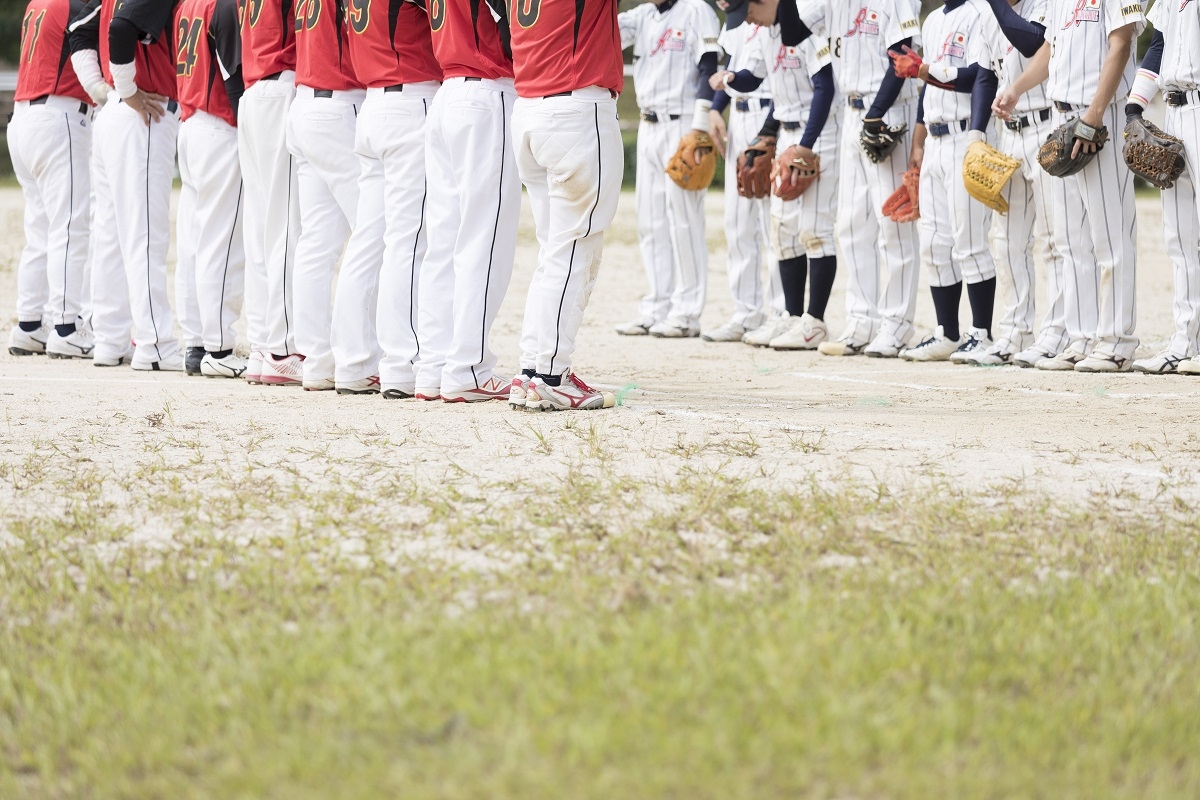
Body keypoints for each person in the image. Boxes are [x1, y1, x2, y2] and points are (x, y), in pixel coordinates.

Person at [739, 0, 924, 359]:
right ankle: (861, 320)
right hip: (853, 115)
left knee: (893, 227)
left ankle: (897, 324)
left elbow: (902, 56)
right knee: (852, 225)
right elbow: (792, 32)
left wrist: (876, 114)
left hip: (887, 113)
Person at [994, 0, 1143, 372]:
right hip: (1061, 117)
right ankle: (1081, 337)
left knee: (1110, 235)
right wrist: (1017, 87)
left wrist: (1094, 115)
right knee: (1071, 240)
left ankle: (1116, 341)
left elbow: (1121, 44)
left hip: (1099, 113)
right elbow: (1051, 48)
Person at [507, 0, 625, 411]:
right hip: (575, 108)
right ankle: (552, 374)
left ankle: (532, 370)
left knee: (553, 252)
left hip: (531, 107)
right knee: (573, 250)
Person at [331, 0, 442, 398]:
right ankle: (400, 363)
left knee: (366, 240)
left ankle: (353, 362)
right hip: (411, 99)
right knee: (408, 240)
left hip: (374, 102)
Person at [413, 0, 520, 402]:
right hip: (487, 90)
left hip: (448, 92)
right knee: (484, 238)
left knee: (443, 242)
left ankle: (433, 366)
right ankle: (467, 368)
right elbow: (515, 29)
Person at [69, 0, 183, 370]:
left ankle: (110, 339)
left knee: (111, 236)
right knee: (144, 234)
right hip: (142, 112)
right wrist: (128, 90)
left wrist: (106, 91)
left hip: (113, 114)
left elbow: (80, 34)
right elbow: (119, 30)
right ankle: (155, 343)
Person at [714, 23, 840, 351]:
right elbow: (751, 79)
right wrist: (729, 80)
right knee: (783, 231)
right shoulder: (766, 36)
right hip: (785, 132)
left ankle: (814, 321)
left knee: (814, 229)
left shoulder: (807, 34)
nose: (749, 16)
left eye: (753, 7)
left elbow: (825, 87)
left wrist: (807, 145)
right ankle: (792, 315)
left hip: (817, 134)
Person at [966, 0, 1069, 368]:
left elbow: (1031, 41)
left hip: (1045, 128)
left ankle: (1057, 332)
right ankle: (1014, 332)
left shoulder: (1042, 6)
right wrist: (976, 134)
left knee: (1053, 238)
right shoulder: (986, 16)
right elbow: (984, 75)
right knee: (1006, 240)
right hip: (1008, 134)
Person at [898, 0, 1000, 363]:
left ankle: (982, 333)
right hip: (936, 141)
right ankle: (947, 332)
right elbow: (928, 86)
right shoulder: (932, 20)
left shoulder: (979, 13)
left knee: (969, 239)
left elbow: (978, 75)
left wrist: (926, 68)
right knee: (934, 242)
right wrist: (918, 140)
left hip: (965, 137)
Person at [615, 0, 722, 339]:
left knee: (684, 222)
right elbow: (601, 30)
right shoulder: (643, 15)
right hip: (648, 125)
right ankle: (656, 307)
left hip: (683, 124)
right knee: (650, 222)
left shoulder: (696, 10)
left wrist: (701, 125)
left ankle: (687, 313)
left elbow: (709, 65)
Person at [8, 0, 97, 360]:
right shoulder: (77, 4)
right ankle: (65, 326)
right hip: (58, 116)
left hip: (24, 116)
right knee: (69, 228)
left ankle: (30, 324)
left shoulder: (37, 3)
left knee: (41, 229)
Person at [286, 0, 365, 390]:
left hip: (304, 102)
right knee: (371, 234)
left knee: (316, 243)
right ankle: (359, 357)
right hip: (339, 103)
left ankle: (317, 360)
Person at [174, 0, 246, 378]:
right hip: (219, 126)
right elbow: (233, 79)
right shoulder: (223, 5)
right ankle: (218, 348)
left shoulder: (187, 4)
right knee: (221, 241)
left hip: (191, 125)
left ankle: (197, 342)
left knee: (194, 241)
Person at [1129, 6, 1200, 375]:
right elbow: (1157, 44)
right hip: (1176, 113)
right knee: (1179, 236)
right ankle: (1184, 342)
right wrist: (1134, 106)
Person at [702, 21, 783, 344]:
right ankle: (747, 312)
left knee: (769, 222)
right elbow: (731, 66)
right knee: (737, 223)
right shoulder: (737, 20)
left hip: (768, 115)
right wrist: (714, 109)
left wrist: (770, 131)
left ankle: (780, 312)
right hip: (738, 114)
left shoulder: (776, 18)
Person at [239, 0, 303, 387]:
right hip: (281, 86)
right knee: (282, 225)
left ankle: (263, 344)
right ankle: (280, 349)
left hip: (254, 91)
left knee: (261, 226)